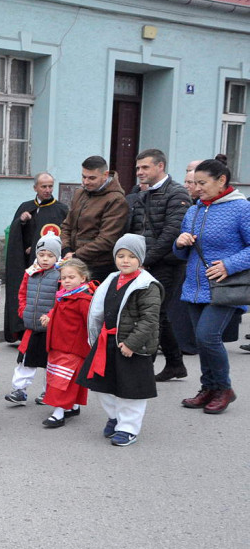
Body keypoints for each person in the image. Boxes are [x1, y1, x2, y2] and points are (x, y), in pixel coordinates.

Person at [173, 159, 250, 414]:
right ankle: (208, 388)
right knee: (200, 339)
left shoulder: (241, 208)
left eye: (202, 183)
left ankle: (224, 389)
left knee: (208, 336)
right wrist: (180, 243)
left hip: (226, 286)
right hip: (195, 286)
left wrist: (229, 264)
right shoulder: (194, 210)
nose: (196, 188)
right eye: (194, 183)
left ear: (221, 181)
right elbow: (182, 253)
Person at [78, 235, 162, 446]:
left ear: (140, 259)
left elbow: (150, 319)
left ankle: (128, 428)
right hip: (107, 342)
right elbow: (98, 309)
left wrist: (132, 343)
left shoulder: (147, 285)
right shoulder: (111, 279)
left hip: (132, 345)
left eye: (132, 256)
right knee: (102, 384)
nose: (125, 260)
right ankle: (115, 417)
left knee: (131, 390)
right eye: (121, 255)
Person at [126, 149, 193, 383]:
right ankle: (175, 364)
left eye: (145, 167)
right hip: (145, 263)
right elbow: (135, 231)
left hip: (166, 265)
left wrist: (145, 261)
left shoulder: (177, 193)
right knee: (157, 314)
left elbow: (171, 233)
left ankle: (144, 368)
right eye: (137, 168)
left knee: (154, 315)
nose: (139, 172)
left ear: (160, 166)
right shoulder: (143, 195)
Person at [5, 172, 68, 341]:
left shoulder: (61, 209)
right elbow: (17, 235)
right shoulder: (25, 207)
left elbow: (64, 235)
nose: (47, 190)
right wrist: (22, 221)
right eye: (43, 186)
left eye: (50, 186)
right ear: (35, 188)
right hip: (27, 263)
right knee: (25, 295)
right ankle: (21, 329)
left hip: (49, 266)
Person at [5, 233, 61, 407]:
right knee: (24, 360)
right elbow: (22, 293)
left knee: (49, 363)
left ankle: (48, 392)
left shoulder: (60, 275)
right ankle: (19, 390)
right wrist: (23, 310)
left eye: (50, 255)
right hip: (31, 327)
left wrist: (52, 316)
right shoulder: (30, 273)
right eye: (41, 254)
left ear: (57, 256)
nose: (45, 259)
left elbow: (61, 299)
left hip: (50, 329)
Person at [39, 258, 94, 428]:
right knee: (62, 377)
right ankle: (73, 406)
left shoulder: (84, 300)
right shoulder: (63, 295)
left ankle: (59, 412)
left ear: (82, 278)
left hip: (73, 347)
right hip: (58, 344)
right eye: (64, 278)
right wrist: (49, 315)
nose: (67, 281)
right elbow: (57, 311)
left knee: (62, 381)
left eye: (71, 277)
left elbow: (91, 322)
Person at [61, 156, 129, 281]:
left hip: (98, 266)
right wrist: (66, 249)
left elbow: (107, 239)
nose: (86, 182)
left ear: (105, 175)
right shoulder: (79, 193)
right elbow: (67, 225)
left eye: (92, 178)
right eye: (84, 177)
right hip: (73, 261)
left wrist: (76, 255)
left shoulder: (116, 200)